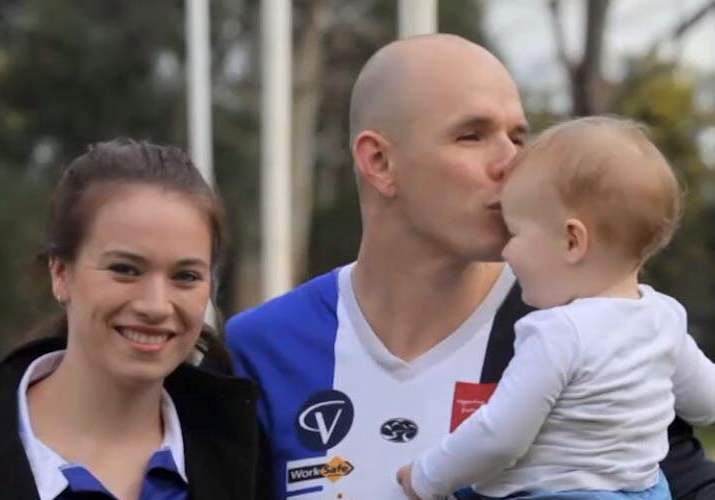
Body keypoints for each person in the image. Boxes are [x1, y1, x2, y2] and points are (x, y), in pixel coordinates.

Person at [218, 34, 715, 500]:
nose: (511, 162)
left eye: (519, 137)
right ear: (379, 162)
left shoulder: (592, 321)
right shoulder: (261, 347)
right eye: (472, 135)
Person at [395, 116, 715, 500]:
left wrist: (426, 476)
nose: (505, 250)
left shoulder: (559, 332)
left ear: (571, 241)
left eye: (515, 233)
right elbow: (706, 404)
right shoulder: (665, 317)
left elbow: (499, 437)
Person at [0, 139, 263, 499]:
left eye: (185, 276)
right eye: (125, 269)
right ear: (60, 274)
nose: (155, 306)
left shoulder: (249, 459)